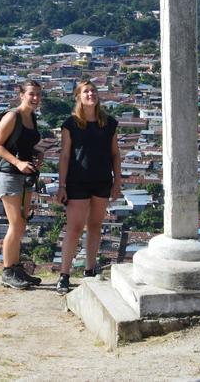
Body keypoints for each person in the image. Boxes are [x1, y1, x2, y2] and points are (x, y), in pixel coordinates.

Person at [54, 79, 121, 294]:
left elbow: (115, 153)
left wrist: (117, 180)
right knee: (74, 228)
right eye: (86, 91)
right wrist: (61, 185)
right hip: (77, 180)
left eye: (93, 91)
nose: (90, 94)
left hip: (102, 179)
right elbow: (64, 156)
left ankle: (90, 270)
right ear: (78, 97)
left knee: (95, 226)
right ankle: (64, 274)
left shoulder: (109, 123)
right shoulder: (71, 124)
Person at [0, 80, 44, 289]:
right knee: (16, 224)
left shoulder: (31, 117)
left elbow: (24, 144)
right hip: (10, 175)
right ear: (21, 95)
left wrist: (37, 154)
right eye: (31, 94)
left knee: (21, 224)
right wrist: (18, 162)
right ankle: (8, 271)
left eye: (38, 94)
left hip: (26, 176)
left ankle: (16, 268)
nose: (36, 98)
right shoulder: (13, 116)